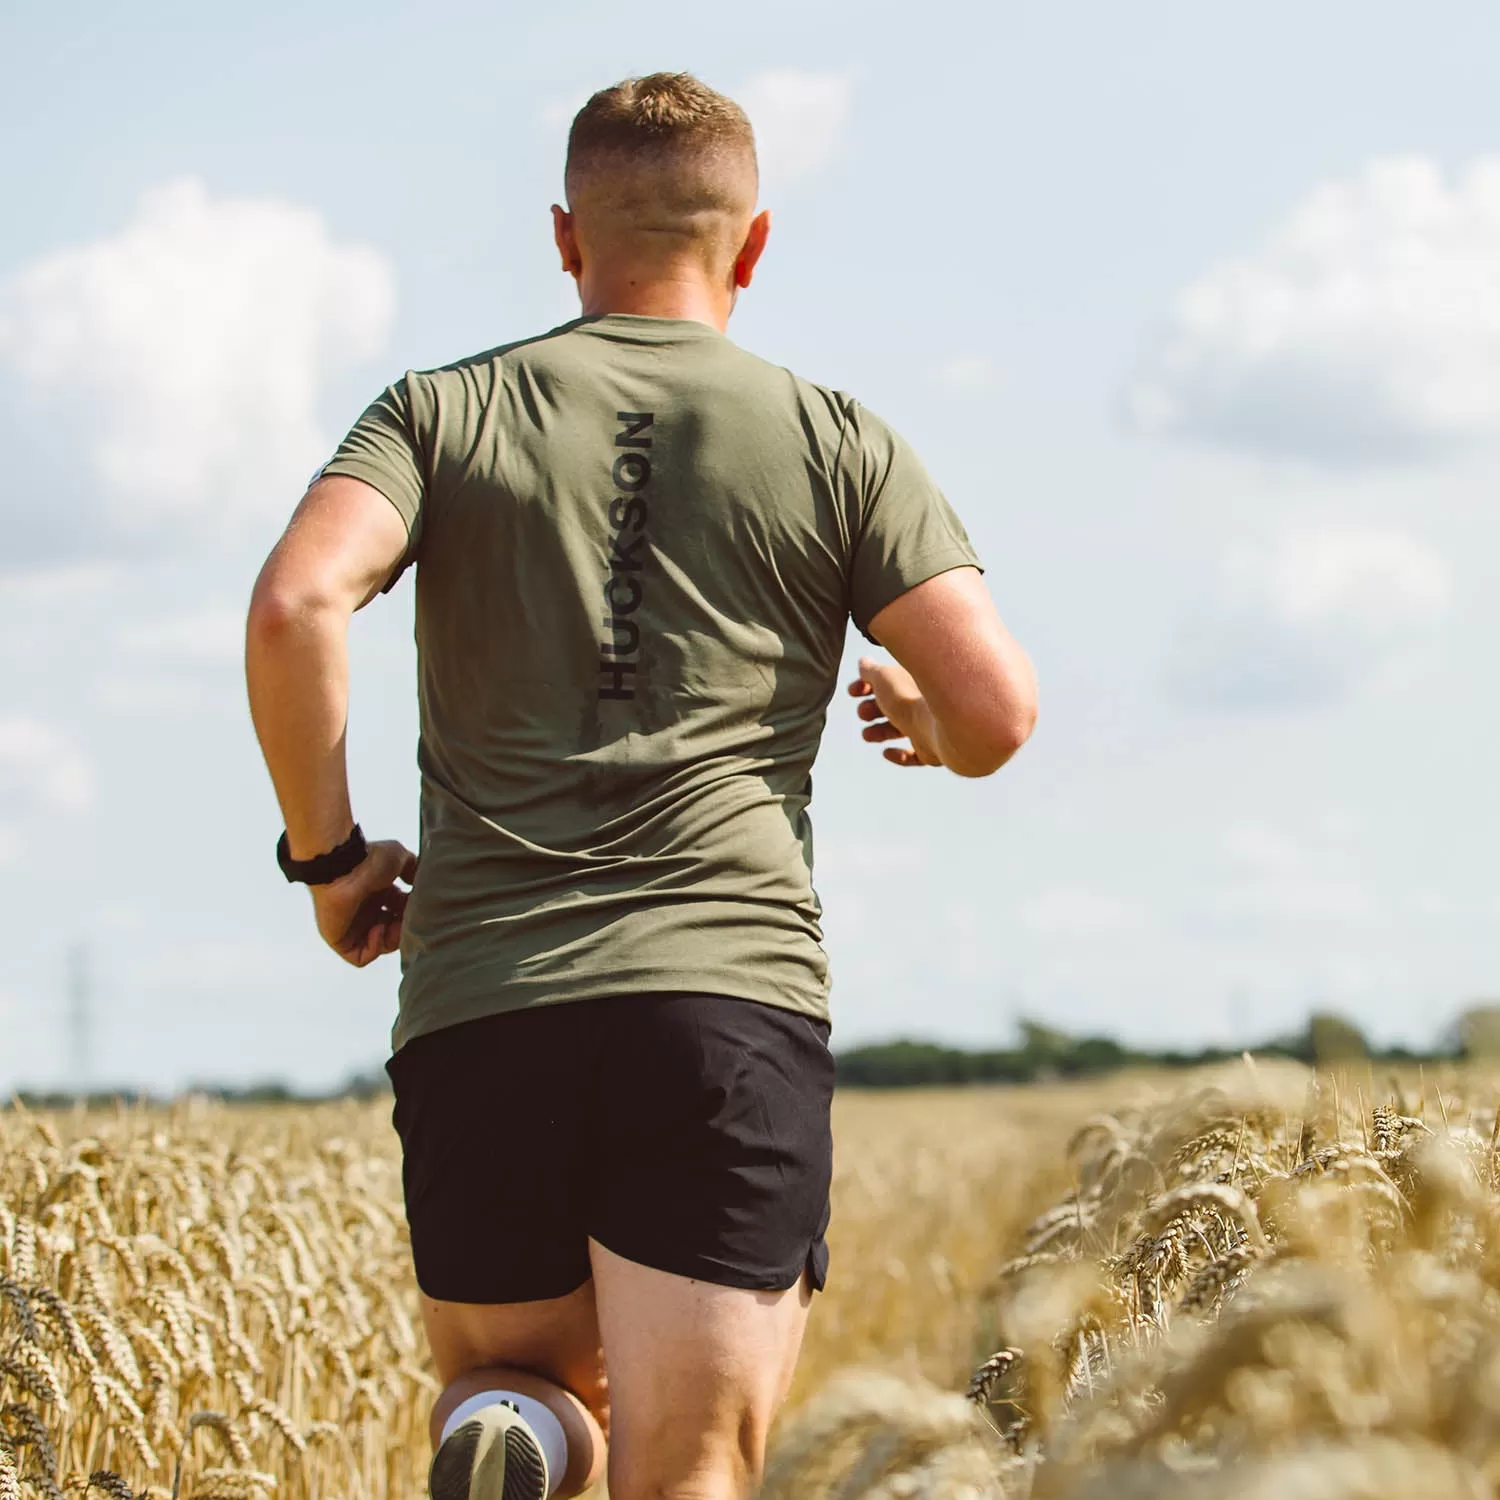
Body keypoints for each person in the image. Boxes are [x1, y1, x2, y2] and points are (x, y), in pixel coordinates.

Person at [245, 71, 1037, 1500]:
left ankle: (524, 1438)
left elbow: (296, 606)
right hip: (721, 1004)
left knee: (518, 1381)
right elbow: (995, 709)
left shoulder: (438, 412)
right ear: (754, 243)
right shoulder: (836, 437)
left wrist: (331, 859)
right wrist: (927, 719)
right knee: (693, 1468)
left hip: (485, 1002)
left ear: (566, 237)